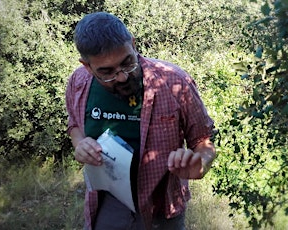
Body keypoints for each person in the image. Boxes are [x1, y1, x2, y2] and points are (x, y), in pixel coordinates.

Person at [65, 12, 216, 230]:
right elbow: (74, 125)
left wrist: (201, 164)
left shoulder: (175, 82)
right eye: (106, 72)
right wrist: (80, 145)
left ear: (133, 45)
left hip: (162, 208)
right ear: (87, 66)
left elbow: (203, 140)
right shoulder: (78, 83)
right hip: (107, 204)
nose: (122, 77)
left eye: (127, 62)